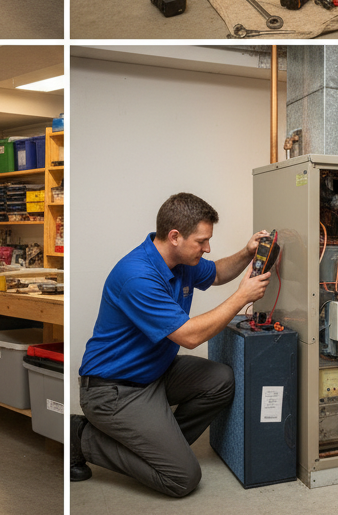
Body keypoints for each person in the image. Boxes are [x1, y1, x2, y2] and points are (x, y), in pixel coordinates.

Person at [71, 192, 272, 497]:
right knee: (182, 479)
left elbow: (217, 273)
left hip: (154, 373)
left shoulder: (180, 261)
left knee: (220, 380)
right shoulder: (138, 276)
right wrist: (243, 296)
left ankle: (161, 445)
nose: (207, 248)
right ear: (175, 236)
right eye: (201, 241)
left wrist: (247, 252)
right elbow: (189, 337)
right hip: (113, 390)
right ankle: (81, 436)